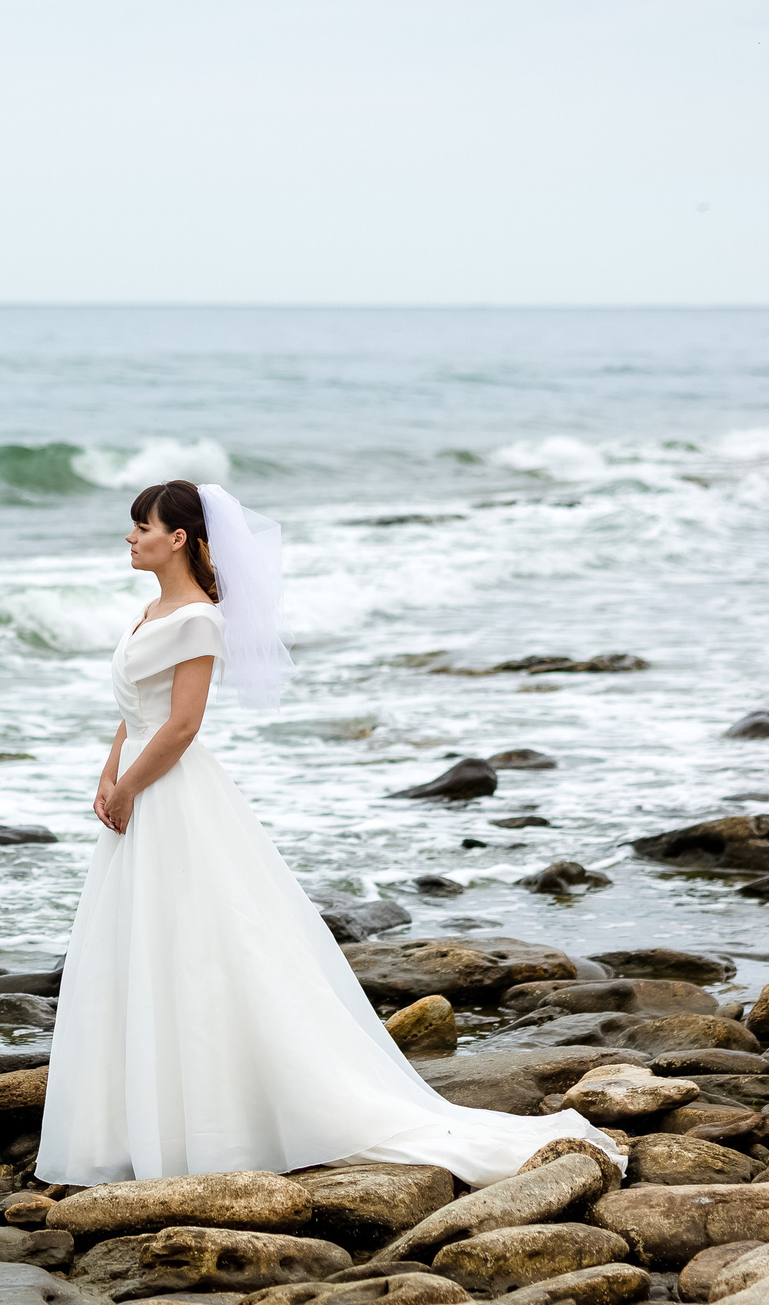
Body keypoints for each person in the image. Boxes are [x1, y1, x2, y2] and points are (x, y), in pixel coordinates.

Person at [34, 479, 624, 1189]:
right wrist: (109, 772)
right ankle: (137, 1120)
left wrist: (130, 786)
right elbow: (135, 711)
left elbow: (185, 724)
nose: (131, 537)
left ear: (180, 538)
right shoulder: (151, 608)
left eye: (142, 526)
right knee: (138, 949)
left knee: (196, 948)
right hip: (136, 788)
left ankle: (212, 1120)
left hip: (168, 792)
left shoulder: (197, 618)